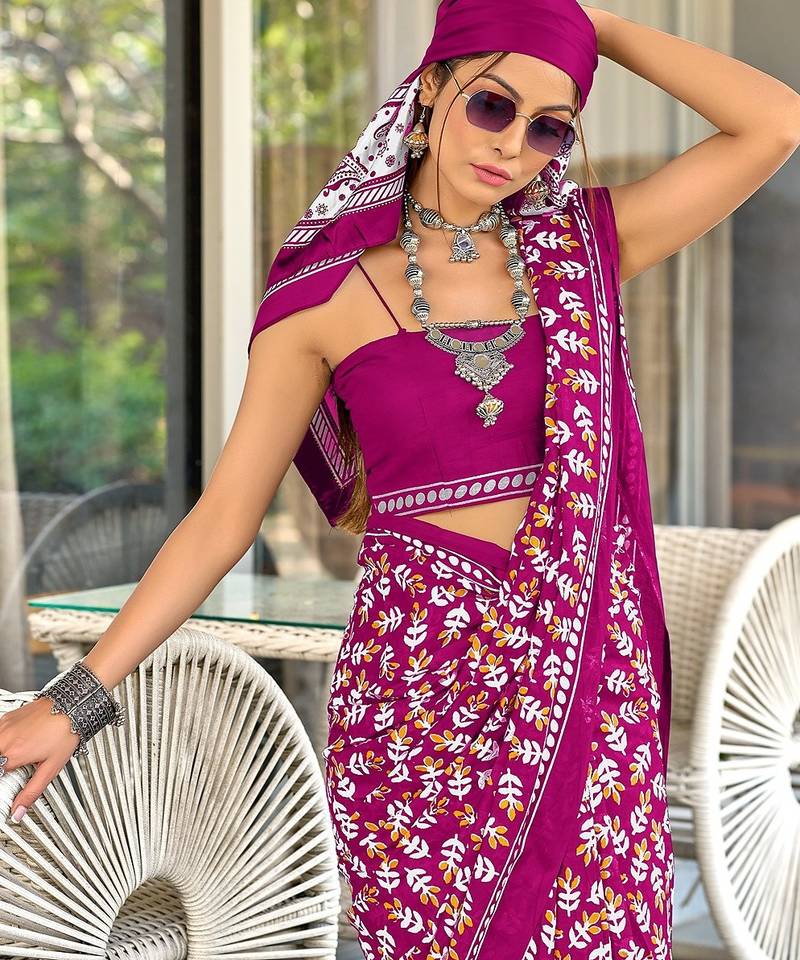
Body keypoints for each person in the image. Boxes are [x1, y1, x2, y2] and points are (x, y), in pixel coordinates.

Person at [2, 0, 799, 955]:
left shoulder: (583, 248)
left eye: (550, 128)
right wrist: (78, 699)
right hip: (415, 695)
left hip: (584, 686)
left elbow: (774, 122)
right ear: (428, 91)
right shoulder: (322, 299)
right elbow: (222, 519)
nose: (513, 145)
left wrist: (586, 25)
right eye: (493, 104)